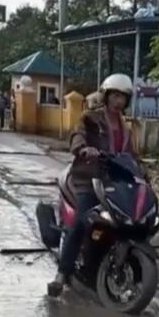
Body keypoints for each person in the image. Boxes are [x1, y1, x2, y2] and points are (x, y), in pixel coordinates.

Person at [48, 73, 138, 296]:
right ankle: (62, 273)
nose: (119, 101)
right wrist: (82, 148)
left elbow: (133, 156)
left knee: (130, 219)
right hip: (88, 178)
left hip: (113, 181)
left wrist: (143, 172)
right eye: (115, 96)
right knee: (81, 222)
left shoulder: (127, 128)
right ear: (106, 96)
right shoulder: (90, 118)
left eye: (123, 97)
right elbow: (77, 135)